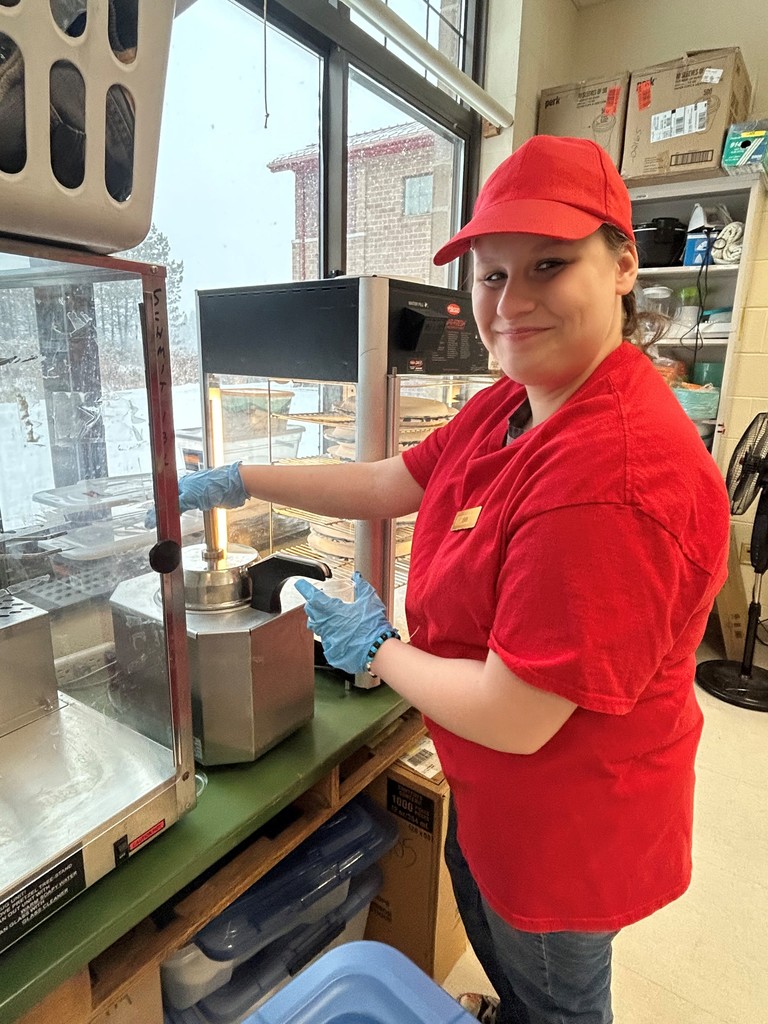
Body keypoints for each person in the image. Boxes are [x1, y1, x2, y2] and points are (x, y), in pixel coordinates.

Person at [171, 135, 730, 1024]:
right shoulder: (513, 402)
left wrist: (379, 647)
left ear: (624, 266)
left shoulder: (613, 476)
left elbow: (518, 712)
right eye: (491, 274)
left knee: (555, 997)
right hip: (493, 788)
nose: (510, 304)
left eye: (548, 265)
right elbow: (391, 480)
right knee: (504, 957)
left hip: (562, 828)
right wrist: (245, 478)